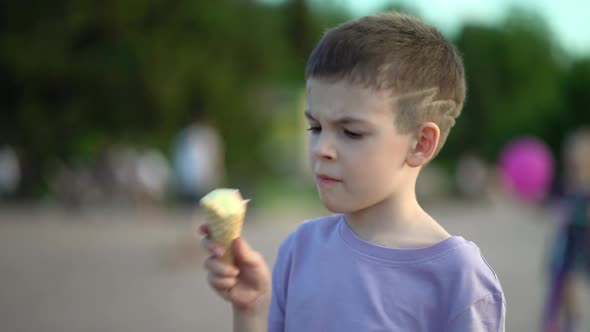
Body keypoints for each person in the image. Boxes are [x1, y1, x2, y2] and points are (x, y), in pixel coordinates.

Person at [200, 12, 506, 331]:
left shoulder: (458, 279)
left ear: (420, 143)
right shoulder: (300, 250)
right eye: (315, 127)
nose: (321, 149)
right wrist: (251, 309)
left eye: (351, 132)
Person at [543, 128, 590, 332]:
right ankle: (554, 324)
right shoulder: (563, 183)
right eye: (573, 152)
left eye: (581, 152)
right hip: (565, 244)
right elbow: (546, 203)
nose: (576, 157)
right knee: (560, 288)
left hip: (585, 245)